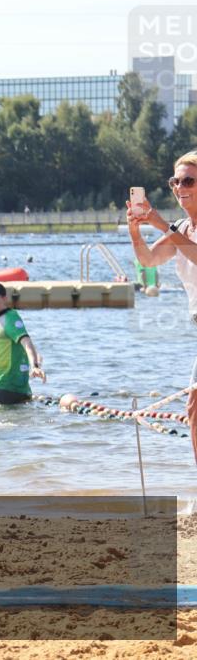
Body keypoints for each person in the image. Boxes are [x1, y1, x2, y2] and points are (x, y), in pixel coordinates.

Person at [126, 150, 197, 463]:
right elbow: (148, 260)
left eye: (189, 180)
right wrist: (135, 229)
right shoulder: (181, 228)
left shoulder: (175, 230)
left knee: (195, 406)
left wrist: (162, 225)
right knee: (195, 408)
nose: (180, 187)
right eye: (175, 181)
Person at [0, 282, 45, 405]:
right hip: (2, 384)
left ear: (4, 298)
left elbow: (27, 342)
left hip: (10, 387)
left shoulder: (10, 318)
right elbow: (7, 348)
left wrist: (35, 366)